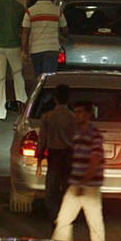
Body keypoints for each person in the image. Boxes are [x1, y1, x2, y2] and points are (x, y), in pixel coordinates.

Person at [51, 101, 106, 241]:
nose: (77, 115)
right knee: (64, 219)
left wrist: (84, 181)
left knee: (94, 223)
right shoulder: (77, 134)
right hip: (77, 184)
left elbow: (95, 160)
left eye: (80, 112)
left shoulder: (94, 134)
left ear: (88, 114)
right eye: (76, 112)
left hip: (89, 186)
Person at [36, 83, 75, 222]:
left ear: (55, 99)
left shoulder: (47, 117)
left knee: (51, 189)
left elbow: (42, 141)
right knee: (67, 187)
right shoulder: (73, 118)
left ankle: (54, 215)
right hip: (69, 156)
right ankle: (66, 215)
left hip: (54, 156)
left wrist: (39, 163)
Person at [21, 0, 66, 77]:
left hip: (35, 49)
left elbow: (25, 32)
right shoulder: (57, 11)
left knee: (39, 78)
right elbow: (65, 30)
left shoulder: (30, 11)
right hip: (52, 49)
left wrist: (24, 50)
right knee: (49, 78)